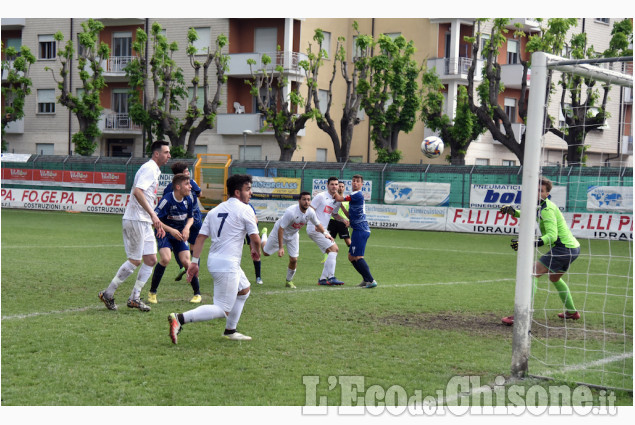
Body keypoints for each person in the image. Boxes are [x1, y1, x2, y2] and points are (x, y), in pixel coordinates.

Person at [168, 174, 261, 344]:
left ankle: (230, 330)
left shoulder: (214, 210)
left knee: (244, 290)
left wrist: (195, 263)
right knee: (222, 309)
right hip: (227, 265)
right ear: (237, 192)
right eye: (248, 189)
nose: (251, 193)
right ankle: (180, 318)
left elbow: (200, 239)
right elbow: (254, 238)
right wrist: (256, 251)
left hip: (215, 261)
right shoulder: (246, 209)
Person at [99, 140, 171, 311]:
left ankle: (134, 298)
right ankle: (108, 293)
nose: (169, 156)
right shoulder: (149, 168)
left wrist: (153, 218)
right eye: (166, 152)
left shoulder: (154, 169)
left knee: (151, 259)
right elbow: (137, 191)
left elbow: (146, 195)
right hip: (136, 219)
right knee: (135, 260)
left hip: (144, 220)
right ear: (156, 154)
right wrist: (153, 214)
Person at [500, 177, 581, 326]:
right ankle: (572, 312)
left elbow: (551, 236)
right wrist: (513, 212)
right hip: (573, 247)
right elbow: (530, 214)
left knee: (533, 271)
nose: (537, 193)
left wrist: (528, 243)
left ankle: (522, 314)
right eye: (535, 189)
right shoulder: (540, 205)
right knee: (554, 278)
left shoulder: (547, 209)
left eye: (541, 190)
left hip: (564, 247)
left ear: (547, 194)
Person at [147, 173, 202, 304]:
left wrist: (187, 228)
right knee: (165, 259)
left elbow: (190, 217)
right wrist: (171, 230)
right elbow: (154, 218)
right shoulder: (167, 200)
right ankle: (152, 292)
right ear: (178, 187)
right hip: (164, 232)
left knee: (187, 262)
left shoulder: (188, 199)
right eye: (187, 184)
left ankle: (197, 294)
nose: (190, 187)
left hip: (180, 234)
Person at [261, 191, 334, 288]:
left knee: (294, 259)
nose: (306, 202)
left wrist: (325, 233)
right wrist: (281, 247)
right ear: (299, 200)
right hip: (279, 232)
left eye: (308, 199)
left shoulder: (310, 212)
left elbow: (317, 224)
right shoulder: (291, 212)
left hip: (293, 235)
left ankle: (288, 281)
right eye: (304, 199)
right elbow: (281, 229)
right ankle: (263, 235)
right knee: (266, 253)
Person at [333, 174, 377, 289]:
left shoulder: (356, 194)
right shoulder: (354, 196)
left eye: (357, 181)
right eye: (353, 181)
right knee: (351, 257)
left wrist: (334, 189)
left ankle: (371, 280)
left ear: (361, 184)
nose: (355, 183)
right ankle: (366, 279)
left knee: (358, 257)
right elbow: (350, 215)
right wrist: (342, 207)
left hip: (361, 230)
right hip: (359, 229)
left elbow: (338, 198)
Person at [162, 161, 202, 282]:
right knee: (194, 246)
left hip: (182, 220)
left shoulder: (169, 187)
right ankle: (194, 272)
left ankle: (183, 267)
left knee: (177, 242)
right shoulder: (192, 183)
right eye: (186, 171)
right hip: (195, 218)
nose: (188, 172)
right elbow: (200, 193)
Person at [307, 176, 347, 286]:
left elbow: (334, 214)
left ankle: (323, 279)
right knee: (334, 249)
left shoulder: (337, 200)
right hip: (315, 228)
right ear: (327, 185)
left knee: (331, 252)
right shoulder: (320, 196)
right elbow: (310, 211)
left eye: (336, 184)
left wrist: (343, 220)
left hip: (323, 230)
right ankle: (331, 277)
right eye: (332, 184)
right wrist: (316, 224)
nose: (334, 186)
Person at [322, 181, 351, 263]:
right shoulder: (331, 198)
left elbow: (349, 212)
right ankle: (326, 258)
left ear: (344, 188)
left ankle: (354, 256)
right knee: (328, 241)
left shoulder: (346, 200)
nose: (341, 188)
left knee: (348, 241)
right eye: (340, 186)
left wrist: (348, 221)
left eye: (342, 186)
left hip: (343, 222)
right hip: (332, 221)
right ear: (337, 187)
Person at [245, 202, 264, 285]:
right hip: (237, 230)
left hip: (249, 229)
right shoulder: (231, 205)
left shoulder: (248, 206)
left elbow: (255, 220)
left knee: (255, 252)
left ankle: (258, 277)